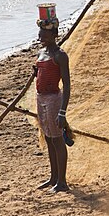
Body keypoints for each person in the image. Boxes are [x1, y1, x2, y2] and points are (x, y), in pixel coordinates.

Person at [35, 10, 71, 193]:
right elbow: (40, 74)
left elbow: (67, 85)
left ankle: (62, 182)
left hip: (53, 100)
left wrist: (62, 112)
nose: (40, 37)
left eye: (44, 34)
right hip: (40, 99)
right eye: (40, 33)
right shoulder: (41, 53)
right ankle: (53, 177)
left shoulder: (60, 55)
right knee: (48, 138)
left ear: (54, 34)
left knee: (57, 140)